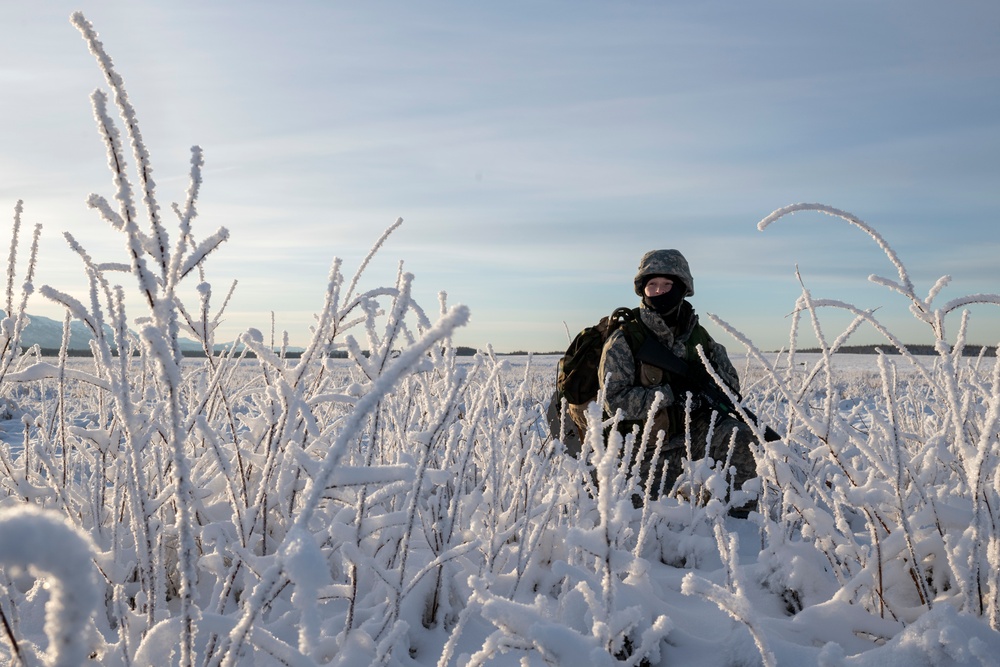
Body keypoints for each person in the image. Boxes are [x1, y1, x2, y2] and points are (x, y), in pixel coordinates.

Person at [598, 249, 757, 506]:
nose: (659, 291)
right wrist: (671, 394)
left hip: (693, 433)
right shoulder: (626, 338)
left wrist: (701, 393)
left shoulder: (698, 335)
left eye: (667, 284)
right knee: (643, 521)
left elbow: (731, 387)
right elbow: (614, 401)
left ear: (682, 287)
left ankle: (740, 521)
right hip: (643, 446)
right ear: (643, 290)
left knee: (741, 437)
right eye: (652, 285)